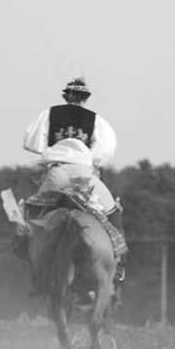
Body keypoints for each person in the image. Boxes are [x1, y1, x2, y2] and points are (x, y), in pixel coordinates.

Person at [20, 78, 126, 286]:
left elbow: (31, 142)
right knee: (113, 212)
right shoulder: (97, 120)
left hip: (56, 173)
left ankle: (29, 257)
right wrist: (88, 157)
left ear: (65, 96)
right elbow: (105, 151)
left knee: (32, 212)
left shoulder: (48, 114)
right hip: (85, 175)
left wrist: (53, 150)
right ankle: (119, 264)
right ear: (86, 99)